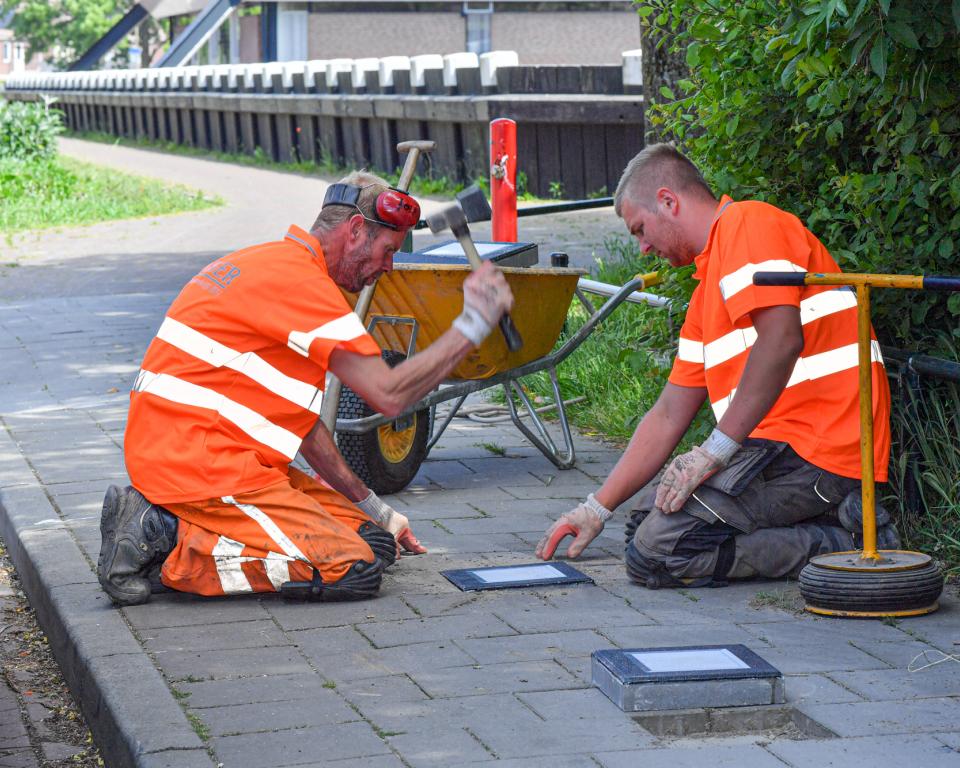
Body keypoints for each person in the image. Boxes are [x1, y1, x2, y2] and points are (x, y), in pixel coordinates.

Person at [98, 170, 514, 606]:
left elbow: (304, 426)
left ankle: (169, 525)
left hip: (211, 455)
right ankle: (164, 536)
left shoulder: (272, 264)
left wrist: (376, 509)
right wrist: (473, 323)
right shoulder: (301, 284)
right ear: (355, 231)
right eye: (387, 250)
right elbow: (388, 394)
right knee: (354, 569)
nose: (388, 267)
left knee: (375, 543)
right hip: (198, 464)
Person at [536, 144, 897, 587]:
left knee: (656, 554)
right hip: (780, 452)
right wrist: (594, 509)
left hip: (824, 453)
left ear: (668, 201)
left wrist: (713, 453)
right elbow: (669, 414)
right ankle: (828, 523)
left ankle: (842, 543)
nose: (643, 246)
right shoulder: (706, 293)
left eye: (640, 229)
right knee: (643, 524)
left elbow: (782, 340)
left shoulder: (748, 224)